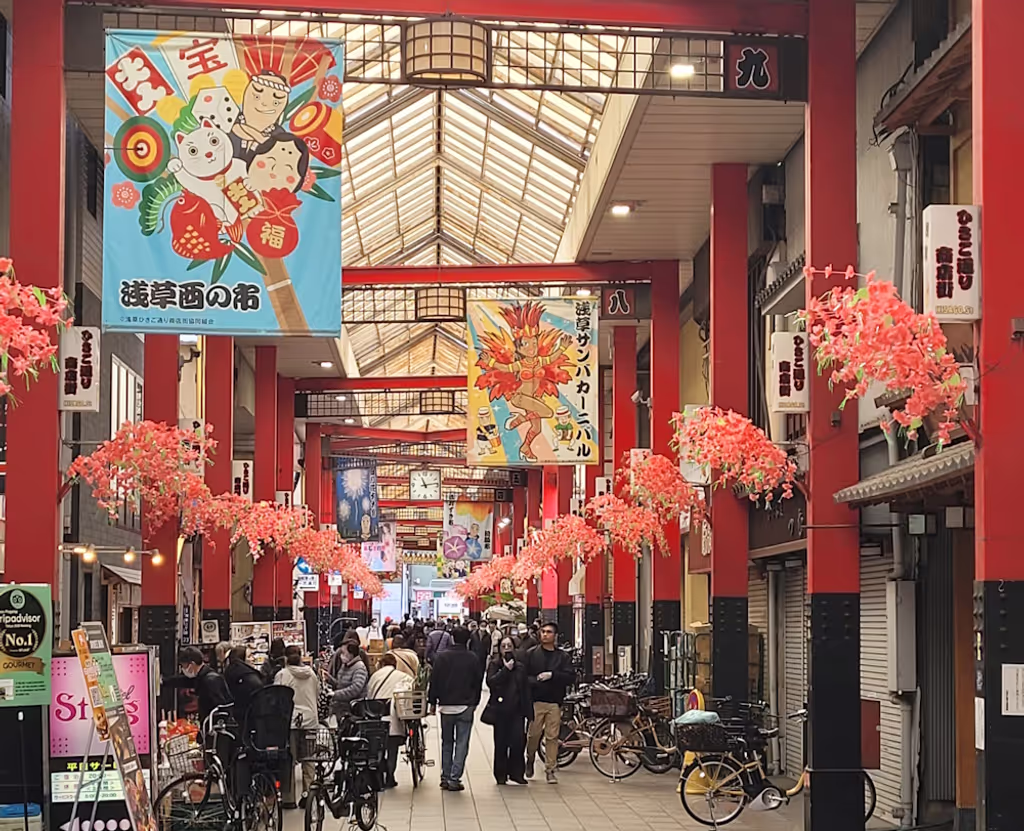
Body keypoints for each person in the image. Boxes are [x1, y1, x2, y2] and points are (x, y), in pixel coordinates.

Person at [427, 627, 483, 791]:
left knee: (447, 742)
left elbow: (434, 680)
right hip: (465, 705)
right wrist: (475, 702)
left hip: (446, 706)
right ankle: (454, 778)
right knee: (461, 743)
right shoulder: (472, 658)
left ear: (452, 638)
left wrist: (432, 702)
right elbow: (477, 682)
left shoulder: (442, 657)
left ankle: (445, 776)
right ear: (467, 640)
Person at [525, 621, 574, 784]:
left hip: (554, 702)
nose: (545, 634)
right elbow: (524, 676)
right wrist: (536, 681)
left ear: (555, 636)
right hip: (536, 701)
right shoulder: (531, 654)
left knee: (552, 737)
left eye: (548, 632)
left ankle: (550, 769)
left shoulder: (563, 657)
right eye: (543, 631)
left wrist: (552, 675)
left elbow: (570, 677)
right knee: (533, 735)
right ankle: (530, 758)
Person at [275, 646, 320, 809]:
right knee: (309, 760)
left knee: (289, 760)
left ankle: (289, 799)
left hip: (290, 722)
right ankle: (308, 794)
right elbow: (317, 694)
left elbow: (277, 699)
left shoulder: (282, 675)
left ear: (285, 658)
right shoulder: (312, 674)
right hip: (310, 720)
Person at [486, 636, 531, 785]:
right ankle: (501, 774)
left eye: (509, 645)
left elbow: (525, 689)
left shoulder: (520, 667)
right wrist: (505, 670)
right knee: (501, 743)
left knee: (518, 743)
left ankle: (516, 773)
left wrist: (528, 711)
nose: (506, 648)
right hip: (500, 710)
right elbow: (491, 682)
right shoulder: (495, 664)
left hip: (517, 710)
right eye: (503, 645)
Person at [367, 653, 413, 789]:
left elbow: (369, 695)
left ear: (381, 664)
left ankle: (379, 777)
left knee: (378, 749)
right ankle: (390, 777)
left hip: (375, 718)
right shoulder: (404, 677)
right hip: (394, 719)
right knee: (392, 749)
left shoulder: (374, 677)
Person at [166, 647, 232, 726]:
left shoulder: (210, 681)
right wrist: (164, 681)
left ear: (192, 664)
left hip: (215, 727)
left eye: (184, 666)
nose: (183, 669)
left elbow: (220, 707)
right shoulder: (203, 677)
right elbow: (183, 681)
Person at [224, 646, 265, 724]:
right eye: (249, 656)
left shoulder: (231, 673)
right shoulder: (248, 676)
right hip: (250, 718)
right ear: (241, 659)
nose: (253, 658)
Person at [329, 640, 369, 720]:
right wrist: (330, 679)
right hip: (342, 709)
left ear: (351, 654)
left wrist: (335, 694)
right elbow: (341, 683)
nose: (341, 655)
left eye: (344, 653)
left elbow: (355, 689)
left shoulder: (359, 668)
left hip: (353, 711)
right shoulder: (345, 665)